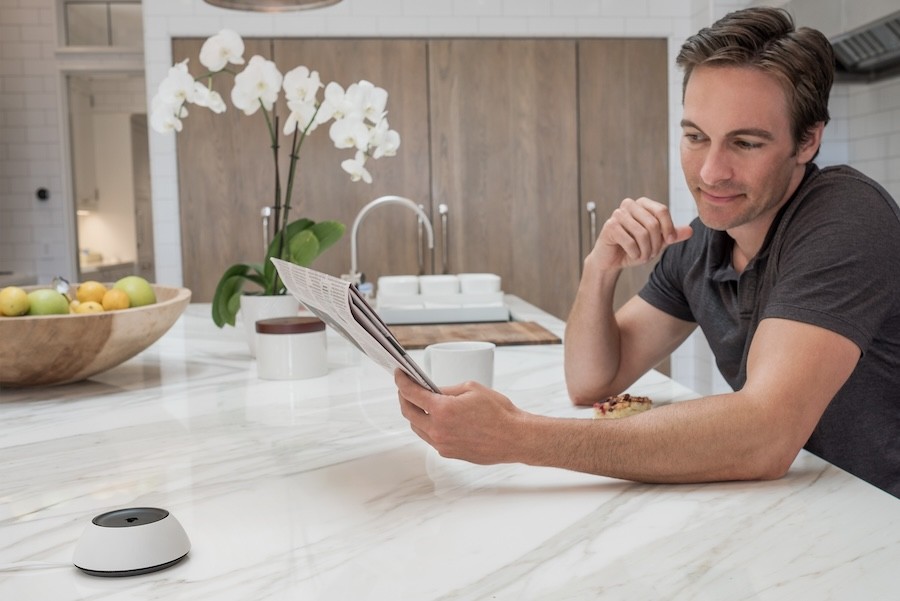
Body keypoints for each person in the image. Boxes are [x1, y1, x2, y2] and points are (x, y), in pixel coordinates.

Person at [395, 6, 900, 498]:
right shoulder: (703, 242)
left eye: (745, 143)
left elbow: (764, 435)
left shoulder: (845, 216)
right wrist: (600, 267)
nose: (710, 172)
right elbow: (591, 382)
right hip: (813, 505)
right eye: (696, 137)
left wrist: (516, 436)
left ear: (808, 141)